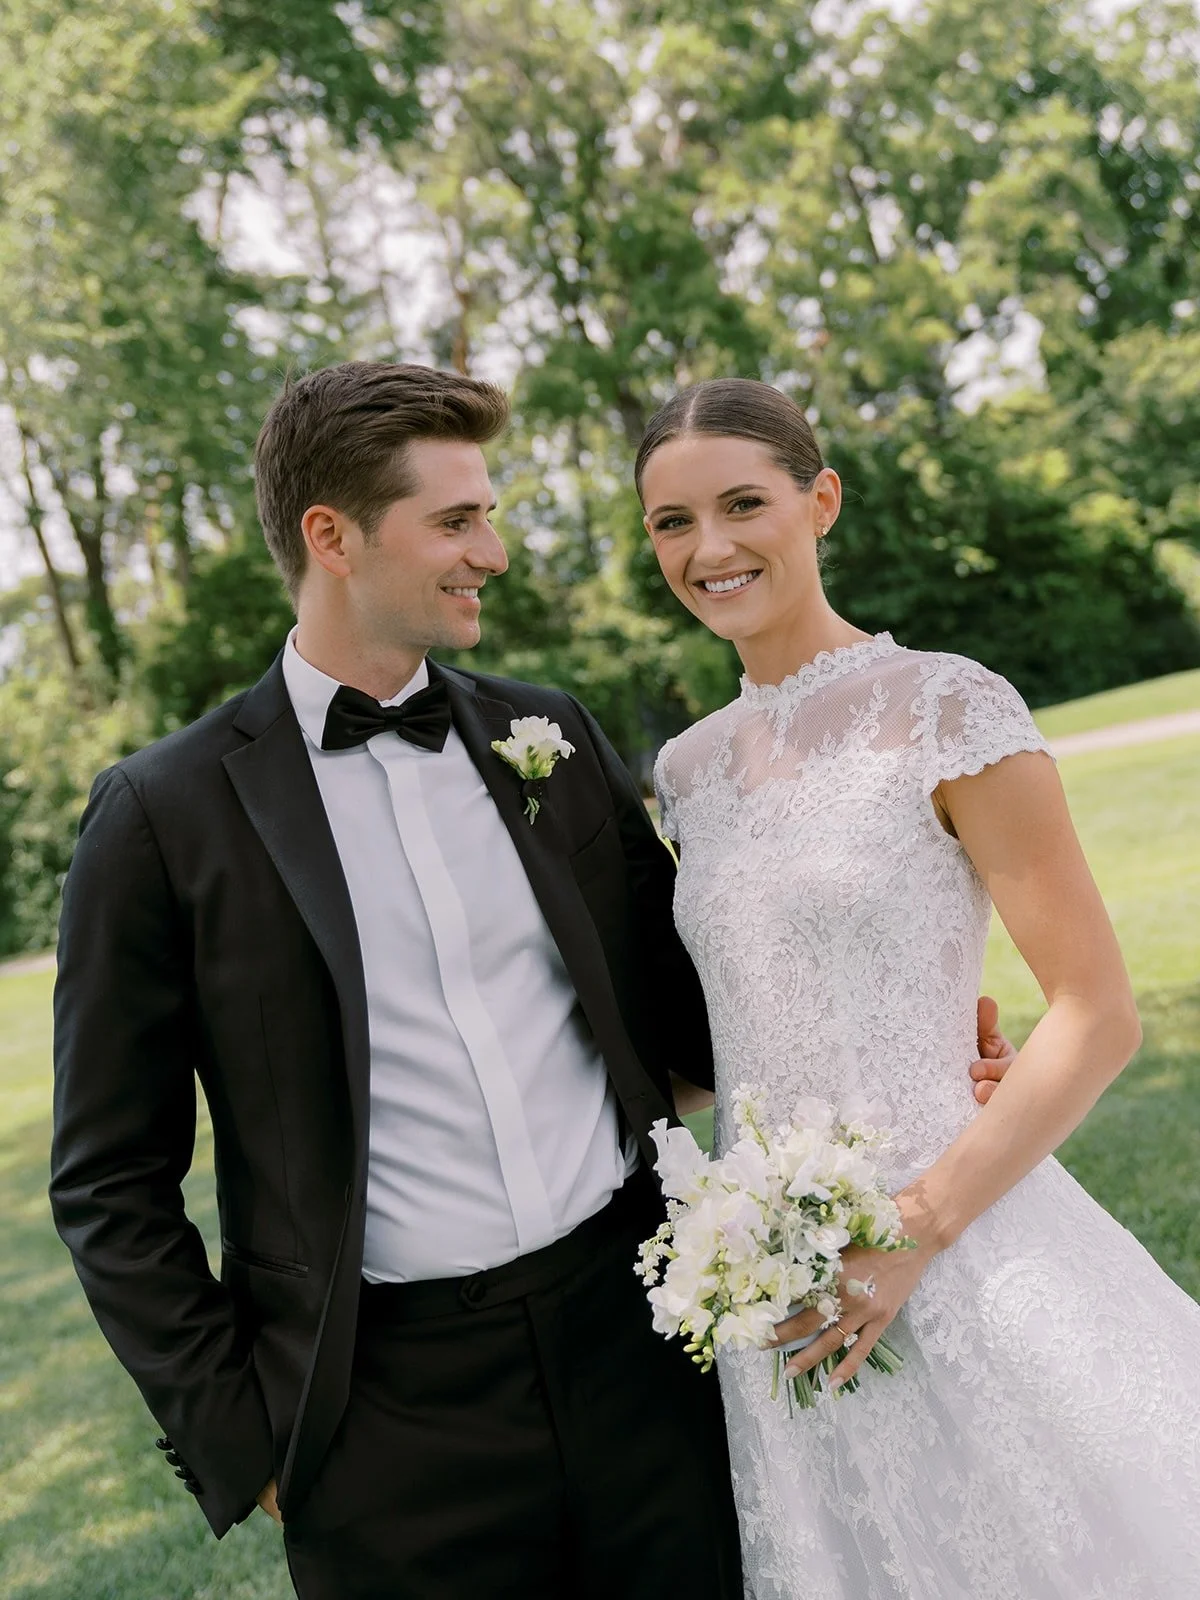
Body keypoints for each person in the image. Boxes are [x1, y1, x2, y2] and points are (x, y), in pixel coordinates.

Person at [51, 360, 1010, 1600]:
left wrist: (922, 1049)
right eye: (457, 521)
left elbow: (699, 1009)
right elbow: (107, 1180)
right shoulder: (161, 815)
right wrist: (250, 1440)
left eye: (488, 514)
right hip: (385, 1421)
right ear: (331, 536)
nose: (492, 553)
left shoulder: (544, 737)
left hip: (643, 1348)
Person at [638, 377, 1200, 1599]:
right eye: (673, 523)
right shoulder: (687, 769)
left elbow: (1099, 1010)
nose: (711, 547)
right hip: (779, 1294)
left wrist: (917, 1226)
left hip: (959, 1238)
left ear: (820, 500)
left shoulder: (947, 705)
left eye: (743, 504)